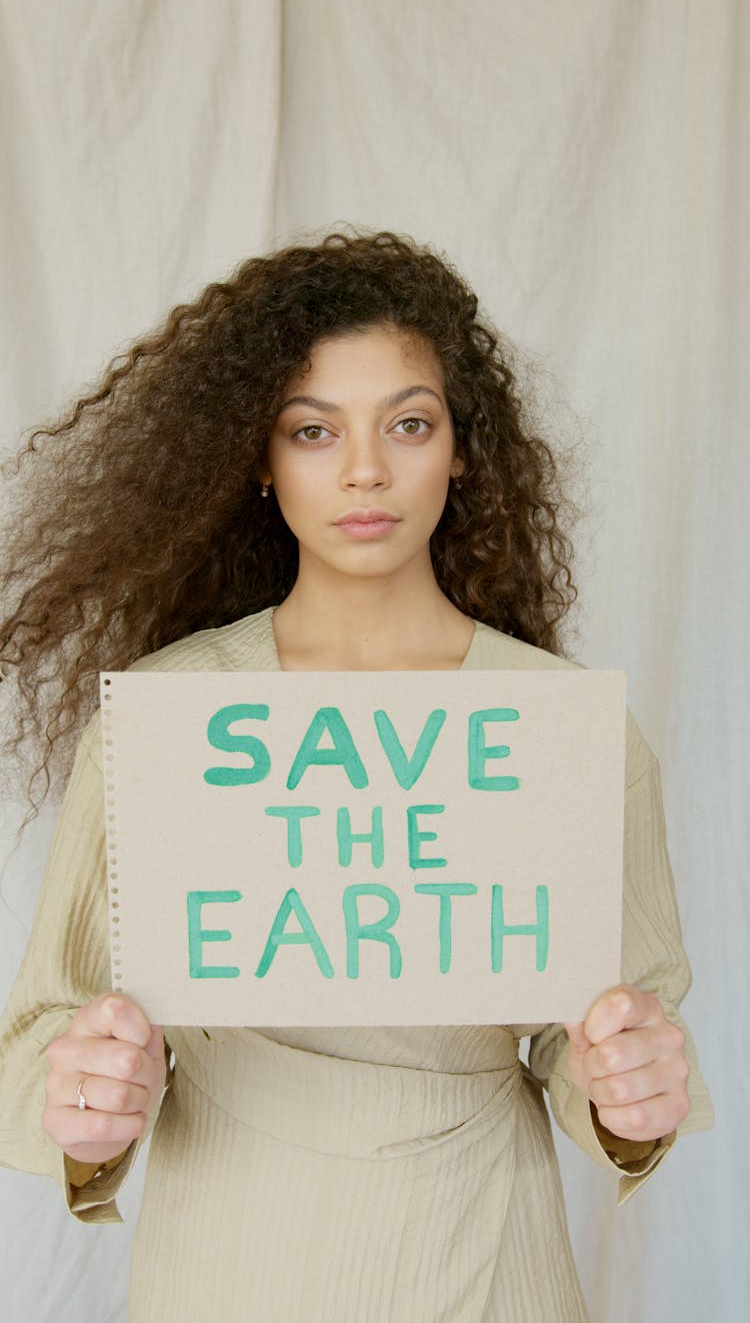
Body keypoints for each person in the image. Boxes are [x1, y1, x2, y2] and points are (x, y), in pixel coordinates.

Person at [0, 229, 713, 1321]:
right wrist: (82, 1098)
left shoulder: (562, 731)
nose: (366, 470)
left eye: (409, 424)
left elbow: (615, 1039)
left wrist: (629, 1094)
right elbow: (43, 1034)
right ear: (259, 455)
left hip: (488, 1258)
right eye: (314, 430)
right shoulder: (165, 721)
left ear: (461, 447)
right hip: (226, 1262)